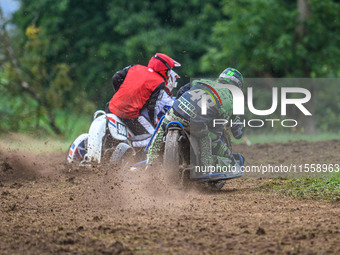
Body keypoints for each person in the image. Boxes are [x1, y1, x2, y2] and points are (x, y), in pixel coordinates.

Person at [146, 67, 244, 169]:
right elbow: (232, 131)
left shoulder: (203, 82)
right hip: (195, 123)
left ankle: (150, 163)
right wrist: (238, 132)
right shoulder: (231, 100)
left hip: (175, 112)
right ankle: (206, 167)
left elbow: (181, 90)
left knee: (161, 128)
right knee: (206, 138)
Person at [107, 53, 180, 147]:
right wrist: (154, 124)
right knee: (154, 138)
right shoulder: (159, 82)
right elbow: (152, 107)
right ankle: (129, 144)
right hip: (129, 116)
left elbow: (116, 77)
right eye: (169, 70)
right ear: (164, 69)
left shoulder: (135, 67)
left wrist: (119, 93)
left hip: (111, 107)